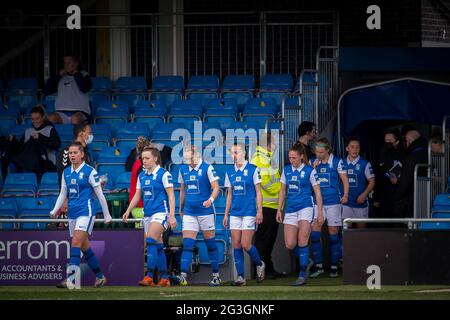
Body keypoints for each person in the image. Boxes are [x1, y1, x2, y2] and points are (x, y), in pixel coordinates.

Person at [50, 141, 112, 288]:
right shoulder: (66, 172)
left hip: (86, 211)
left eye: (75, 152)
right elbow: (62, 194)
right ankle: (100, 276)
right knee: (84, 246)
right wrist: (54, 209)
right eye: (70, 153)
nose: (72, 155)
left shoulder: (90, 171)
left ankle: (71, 280)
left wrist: (106, 214)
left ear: (82, 154)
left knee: (76, 242)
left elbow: (100, 194)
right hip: (72, 212)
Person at [122, 146, 177, 287]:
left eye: (147, 158)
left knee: (151, 240)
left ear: (155, 158)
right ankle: (165, 278)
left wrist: (172, 215)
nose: (144, 161)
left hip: (161, 213)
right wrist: (128, 210)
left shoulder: (164, 174)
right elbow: (137, 195)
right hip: (148, 214)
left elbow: (171, 195)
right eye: (142, 158)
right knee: (158, 246)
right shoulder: (142, 175)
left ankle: (149, 276)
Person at [276, 143, 323, 286]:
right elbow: (283, 191)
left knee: (302, 240)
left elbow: (317, 192)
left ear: (301, 157)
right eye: (290, 158)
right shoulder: (286, 170)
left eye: (294, 158)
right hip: (290, 209)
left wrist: (320, 213)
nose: (292, 160)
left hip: (305, 208)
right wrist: (279, 209)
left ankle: (302, 274)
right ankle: (307, 260)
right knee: (290, 244)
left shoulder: (310, 171)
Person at [177, 145, 221, 286]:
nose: (188, 161)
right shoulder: (183, 170)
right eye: (186, 159)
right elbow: (182, 190)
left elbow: (216, 187)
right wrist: (181, 208)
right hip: (190, 212)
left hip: (205, 212)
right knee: (188, 244)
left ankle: (216, 276)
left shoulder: (207, 168)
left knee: (211, 244)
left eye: (190, 158)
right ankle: (183, 275)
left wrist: (210, 200)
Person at [222, 143, 265, 286]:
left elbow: (258, 192)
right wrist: (226, 214)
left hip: (249, 211)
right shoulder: (229, 171)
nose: (234, 156)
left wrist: (260, 210)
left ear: (244, 153)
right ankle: (241, 277)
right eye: (232, 153)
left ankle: (259, 264)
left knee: (246, 244)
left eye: (237, 152)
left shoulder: (253, 169)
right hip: (235, 212)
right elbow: (229, 194)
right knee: (236, 244)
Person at [309, 137, 349, 278]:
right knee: (315, 235)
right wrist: (313, 168)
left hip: (333, 202)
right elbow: (307, 180)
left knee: (333, 236)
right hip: (317, 203)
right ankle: (318, 265)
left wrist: (345, 194)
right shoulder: (312, 162)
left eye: (320, 152)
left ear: (327, 150)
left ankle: (334, 266)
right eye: (316, 151)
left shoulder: (337, 161)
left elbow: (345, 179)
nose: (318, 154)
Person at [250, 132, 283, 279]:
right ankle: (261, 269)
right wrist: (282, 190)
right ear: (268, 145)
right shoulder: (260, 159)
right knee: (264, 240)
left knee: (269, 240)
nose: (276, 146)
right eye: (274, 143)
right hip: (266, 205)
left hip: (272, 205)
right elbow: (266, 183)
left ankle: (268, 268)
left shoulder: (267, 158)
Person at [8, 105, 61, 177]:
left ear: (42, 117)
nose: (35, 121)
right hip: (28, 162)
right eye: (32, 119)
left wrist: (40, 137)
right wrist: (13, 140)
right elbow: (20, 148)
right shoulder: (28, 131)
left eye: (37, 119)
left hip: (46, 163)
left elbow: (56, 145)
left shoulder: (50, 129)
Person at [43, 54, 92, 125]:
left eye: (69, 62)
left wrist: (76, 73)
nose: (66, 65)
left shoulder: (84, 75)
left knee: (75, 119)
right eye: (65, 63)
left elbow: (85, 88)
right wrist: (58, 76)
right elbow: (46, 91)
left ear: (76, 63)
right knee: (50, 118)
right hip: (61, 112)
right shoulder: (60, 77)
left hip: (80, 112)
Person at [392, 129, 428, 218]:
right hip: (427, 196)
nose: (406, 144)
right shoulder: (428, 152)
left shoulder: (412, 156)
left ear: (410, 141)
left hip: (411, 200)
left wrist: (396, 197)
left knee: (411, 226)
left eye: (407, 141)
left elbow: (406, 180)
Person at [342, 137, 376, 229]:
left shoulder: (365, 163)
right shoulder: (341, 163)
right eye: (352, 147)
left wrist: (364, 195)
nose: (355, 149)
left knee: (361, 233)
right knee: (346, 232)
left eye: (357, 147)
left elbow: (372, 181)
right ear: (347, 149)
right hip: (346, 203)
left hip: (360, 203)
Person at [372, 128, 406, 218]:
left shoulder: (404, 154)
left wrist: (398, 180)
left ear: (397, 141)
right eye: (386, 140)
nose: (387, 143)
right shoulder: (382, 152)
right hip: (384, 196)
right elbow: (378, 175)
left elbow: (408, 175)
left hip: (399, 197)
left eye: (390, 140)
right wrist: (376, 198)